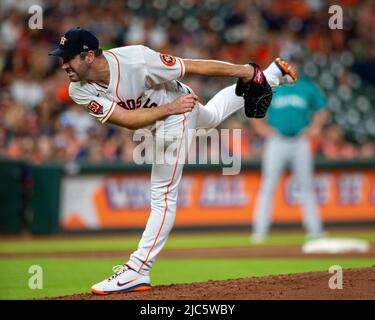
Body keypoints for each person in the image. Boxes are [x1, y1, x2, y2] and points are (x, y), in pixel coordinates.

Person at [49, 27, 297, 294]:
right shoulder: (78, 89)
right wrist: (171, 108)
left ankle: (138, 269)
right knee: (212, 116)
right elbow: (127, 120)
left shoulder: (137, 60)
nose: (63, 64)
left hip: (176, 112)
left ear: (88, 56)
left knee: (162, 193)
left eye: (68, 57)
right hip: (170, 110)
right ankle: (273, 74)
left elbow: (192, 65)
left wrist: (246, 71)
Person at [249, 61, 328, 244]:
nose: (290, 68)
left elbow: (322, 109)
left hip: (300, 140)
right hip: (277, 140)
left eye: (292, 64)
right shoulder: (271, 86)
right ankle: (259, 231)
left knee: (307, 185)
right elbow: (252, 108)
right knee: (268, 185)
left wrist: (315, 126)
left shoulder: (306, 87)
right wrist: (261, 128)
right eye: (287, 65)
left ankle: (315, 230)